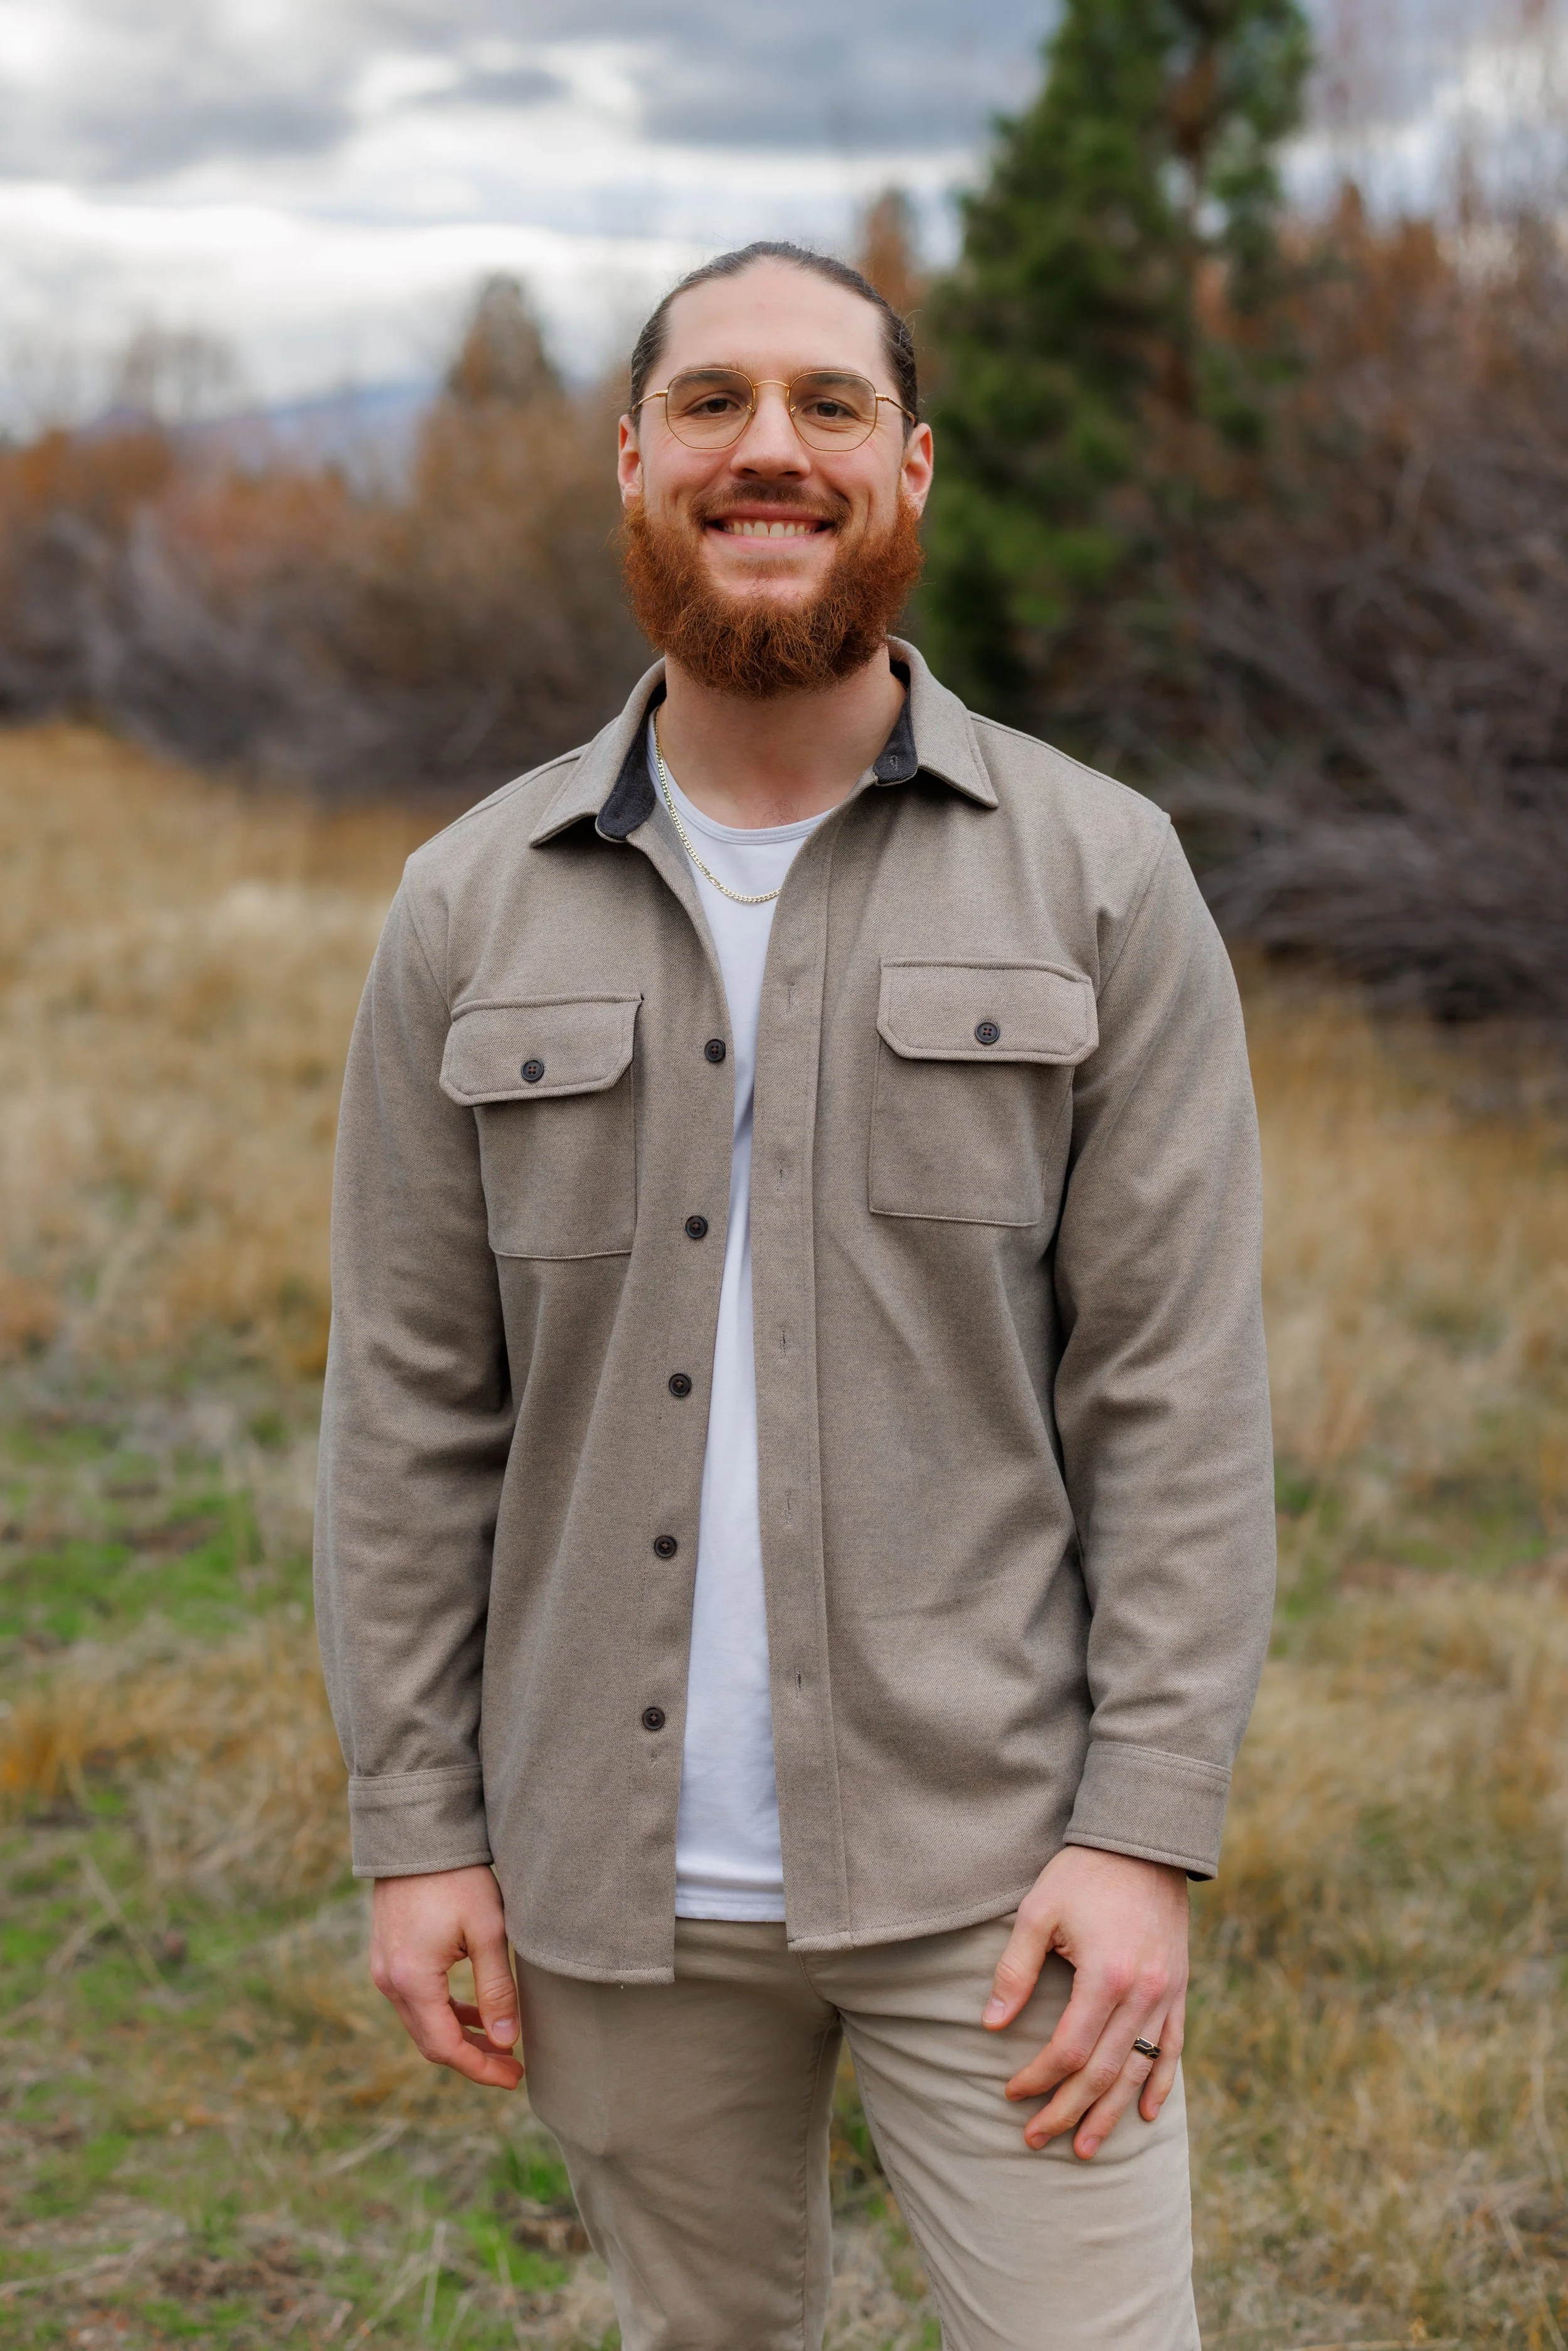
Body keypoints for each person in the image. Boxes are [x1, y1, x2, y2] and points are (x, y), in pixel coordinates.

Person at [315, 241, 1275, 2351]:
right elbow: (404, 1408)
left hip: (1002, 1870)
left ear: (910, 469)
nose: (774, 449)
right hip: (607, 1879)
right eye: (718, 404)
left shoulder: (1100, 875)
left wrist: (1144, 1836)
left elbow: (1174, 1396)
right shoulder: (468, 903)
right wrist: (418, 1832)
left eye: (831, 407)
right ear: (633, 463)